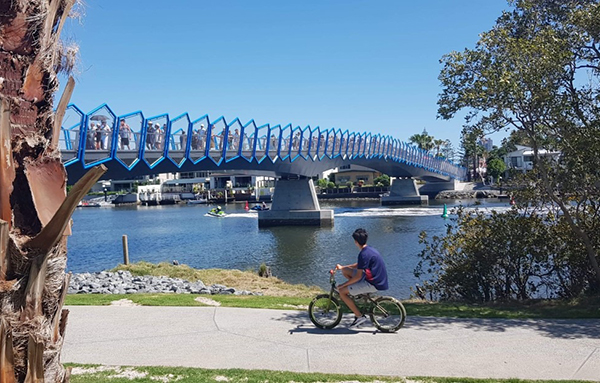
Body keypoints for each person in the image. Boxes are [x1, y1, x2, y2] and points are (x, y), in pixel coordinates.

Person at [335, 228, 388, 327]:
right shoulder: (369, 249)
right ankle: (357, 291)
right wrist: (343, 267)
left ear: (355, 241)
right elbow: (360, 265)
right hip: (376, 278)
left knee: (342, 292)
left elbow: (358, 277)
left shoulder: (363, 254)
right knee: (345, 271)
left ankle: (359, 317)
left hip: (373, 283)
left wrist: (342, 285)